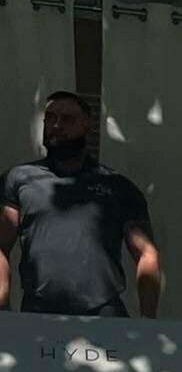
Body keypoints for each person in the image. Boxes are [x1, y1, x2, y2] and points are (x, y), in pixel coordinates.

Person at [0, 90, 161, 317]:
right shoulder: (18, 179)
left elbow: (147, 253)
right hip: (39, 313)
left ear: (87, 127)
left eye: (67, 120)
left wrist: (148, 320)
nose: (56, 126)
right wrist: (2, 310)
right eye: (50, 118)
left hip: (104, 313)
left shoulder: (118, 187)